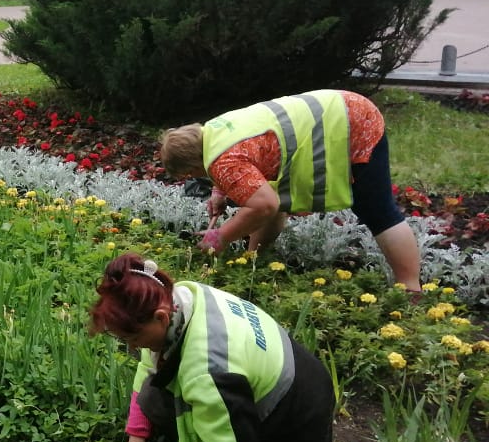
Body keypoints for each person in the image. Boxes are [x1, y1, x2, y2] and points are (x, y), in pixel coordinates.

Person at [90, 253, 334, 442]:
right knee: (155, 393)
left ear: (161, 317)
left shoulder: (209, 370)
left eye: (133, 339)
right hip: (304, 382)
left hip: (296, 440)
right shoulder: (179, 299)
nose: (131, 347)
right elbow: (148, 370)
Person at [160, 89, 421, 292]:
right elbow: (267, 197)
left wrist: (220, 238)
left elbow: (264, 206)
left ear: (192, 167)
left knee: (376, 210)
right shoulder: (214, 130)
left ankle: (411, 291)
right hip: (341, 106)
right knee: (272, 196)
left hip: (352, 123)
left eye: (192, 175)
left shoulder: (223, 161)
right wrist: (219, 192)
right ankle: (253, 261)